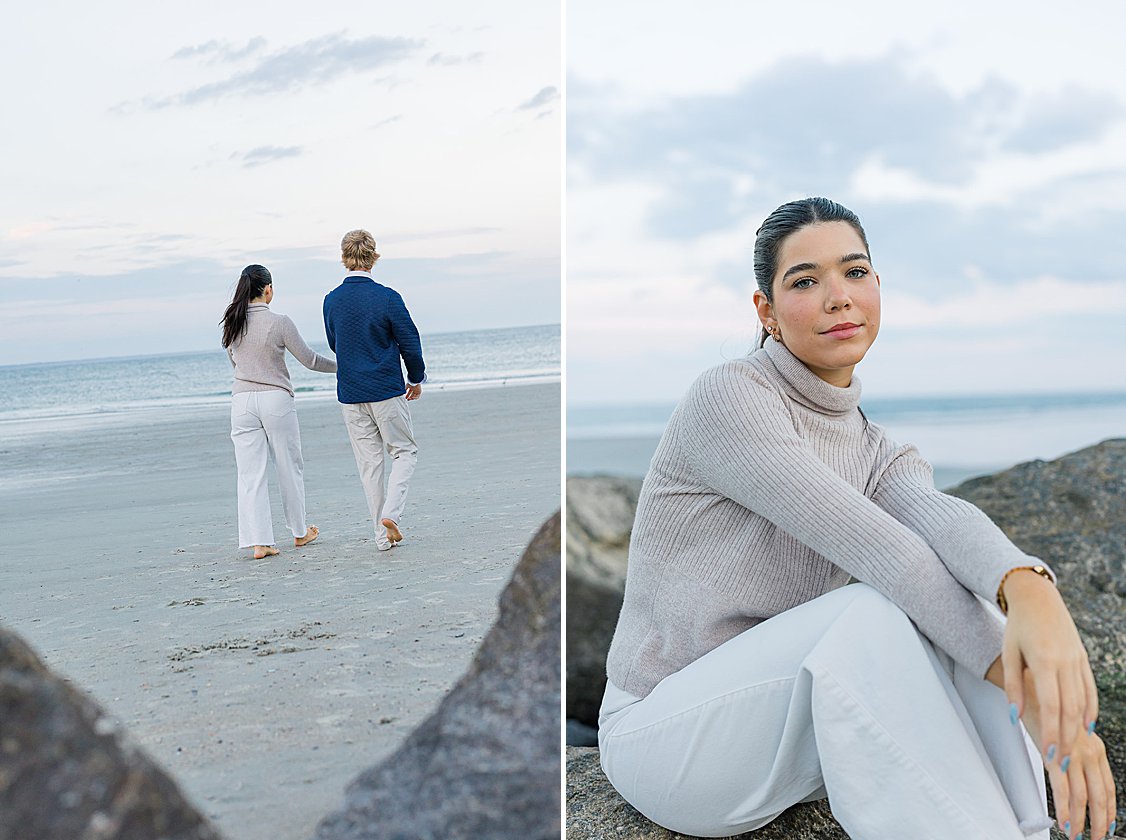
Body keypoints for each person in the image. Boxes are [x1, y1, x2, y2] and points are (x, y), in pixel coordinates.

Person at [596, 198, 1116, 840]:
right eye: (805, 281)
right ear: (766, 312)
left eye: (855, 272)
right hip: (667, 736)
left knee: (950, 610)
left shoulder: (874, 446)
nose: (838, 297)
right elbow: (887, 555)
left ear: (877, 287)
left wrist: (1029, 586)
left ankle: (1031, 827)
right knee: (874, 609)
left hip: (774, 732)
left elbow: (941, 523)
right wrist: (1039, 702)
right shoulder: (731, 398)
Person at [221, 264, 337, 559]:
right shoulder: (280, 322)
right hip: (276, 400)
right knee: (288, 465)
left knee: (250, 474)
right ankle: (299, 533)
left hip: (242, 401)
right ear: (268, 289)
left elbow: (236, 365)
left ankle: (260, 543)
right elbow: (310, 360)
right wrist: (343, 367)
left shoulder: (232, 323)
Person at [323, 229, 425, 552]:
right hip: (385, 389)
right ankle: (391, 514)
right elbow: (410, 340)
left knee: (370, 465)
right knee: (404, 452)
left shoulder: (331, 301)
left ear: (344, 258)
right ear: (373, 257)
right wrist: (416, 377)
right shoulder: (387, 297)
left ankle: (382, 538)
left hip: (351, 393)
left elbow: (335, 344)